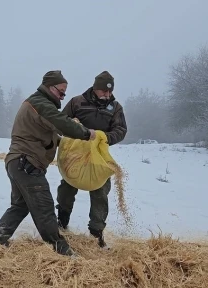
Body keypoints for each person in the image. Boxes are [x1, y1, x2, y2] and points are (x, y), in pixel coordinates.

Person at [0, 70, 96, 256]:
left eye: (65, 93)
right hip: (27, 163)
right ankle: (62, 251)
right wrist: (87, 133)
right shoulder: (41, 104)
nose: (63, 96)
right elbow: (61, 123)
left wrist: (66, 145)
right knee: (45, 208)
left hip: (17, 162)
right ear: (49, 86)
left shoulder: (37, 104)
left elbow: (48, 135)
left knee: (20, 205)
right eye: (61, 91)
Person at [55, 70, 127, 249]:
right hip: (76, 155)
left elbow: (121, 130)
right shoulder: (77, 102)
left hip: (98, 157)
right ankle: (62, 224)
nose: (107, 95)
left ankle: (96, 234)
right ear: (95, 88)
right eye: (104, 91)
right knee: (67, 188)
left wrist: (105, 137)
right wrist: (74, 126)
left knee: (101, 192)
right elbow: (62, 121)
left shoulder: (115, 108)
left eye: (110, 92)